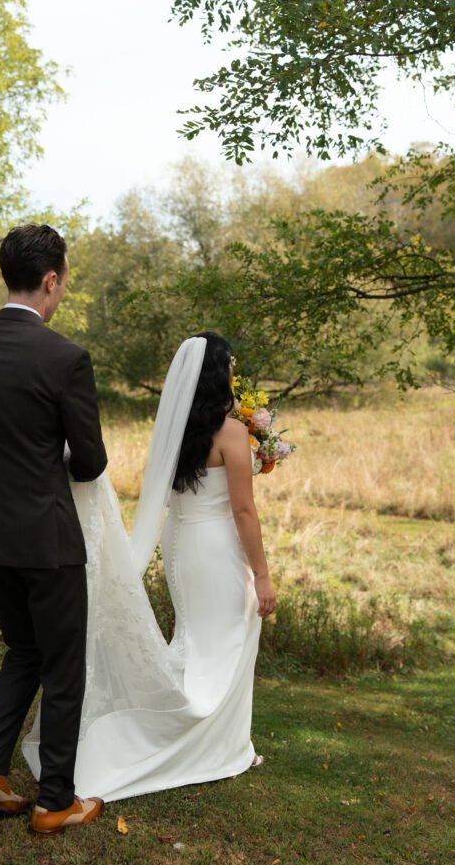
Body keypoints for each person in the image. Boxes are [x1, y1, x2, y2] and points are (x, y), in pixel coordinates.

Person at [22, 333, 277, 802]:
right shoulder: (232, 432)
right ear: (218, 372)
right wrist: (262, 574)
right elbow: (243, 509)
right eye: (231, 364)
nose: (233, 372)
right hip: (217, 546)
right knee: (228, 639)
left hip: (180, 542)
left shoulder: (177, 431)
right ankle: (215, 747)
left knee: (197, 641)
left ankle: (229, 743)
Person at [0, 223, 108, 836]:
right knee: (63, 666)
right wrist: (42, 462)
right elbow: (90, 461)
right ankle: (55, 802)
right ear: (51, 280)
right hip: (46, 537)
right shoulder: (65, 357)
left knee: (24, 649)